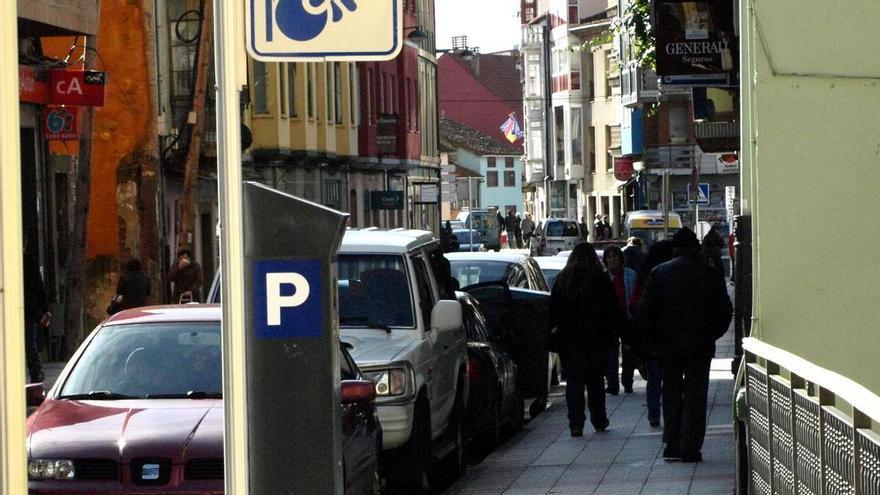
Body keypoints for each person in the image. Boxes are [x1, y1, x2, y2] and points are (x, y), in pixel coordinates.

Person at [638, 228, 732, 462]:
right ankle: (690, 448)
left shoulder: (659, 273)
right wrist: (711, 335)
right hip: (699, 346)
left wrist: (653, 341)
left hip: (668, 347)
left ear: (675, 248)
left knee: (670, 392)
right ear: (696, 247)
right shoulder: (709, 274)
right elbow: (725, 311)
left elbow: (645, 312)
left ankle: (672, 443)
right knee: (696, 395)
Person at [549, 242, 625, 437]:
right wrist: (619, 333)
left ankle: (575, 423)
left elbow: (553, 311)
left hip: (571, 340)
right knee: (596, 381)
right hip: (596, 339)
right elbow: (613, 309)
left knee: (574, 382)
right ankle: (599, 419)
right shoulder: (600, 278)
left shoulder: (562, 279)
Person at [628, 240, 675, 427]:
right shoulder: (672, 274)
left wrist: (642, 325)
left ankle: (654, 414)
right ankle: (672, 412)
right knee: (672, 376)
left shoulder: (645, 274)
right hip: (672, 333)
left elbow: (633, 304)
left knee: (654, 377)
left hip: (652, 334)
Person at [602, 246, 638, 395]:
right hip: (610, 319)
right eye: (609, 257)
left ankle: (628, 382)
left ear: (620, 259)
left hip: (627, 318)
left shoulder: (630, 275)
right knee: (611, 351)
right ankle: (612, 384)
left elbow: (634, 296)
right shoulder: (603, 277)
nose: (612, 260)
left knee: (628, 350)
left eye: (615, 256)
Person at [23, 249, 50, 383]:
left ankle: (36, 372)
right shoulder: (29, 261)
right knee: (29, 344)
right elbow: (39, 286)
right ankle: (36, 373)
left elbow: (38, 287)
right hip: (28, 309)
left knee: (29, 343)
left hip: (27, 309)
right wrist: (45, 308)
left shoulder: (28, 261)